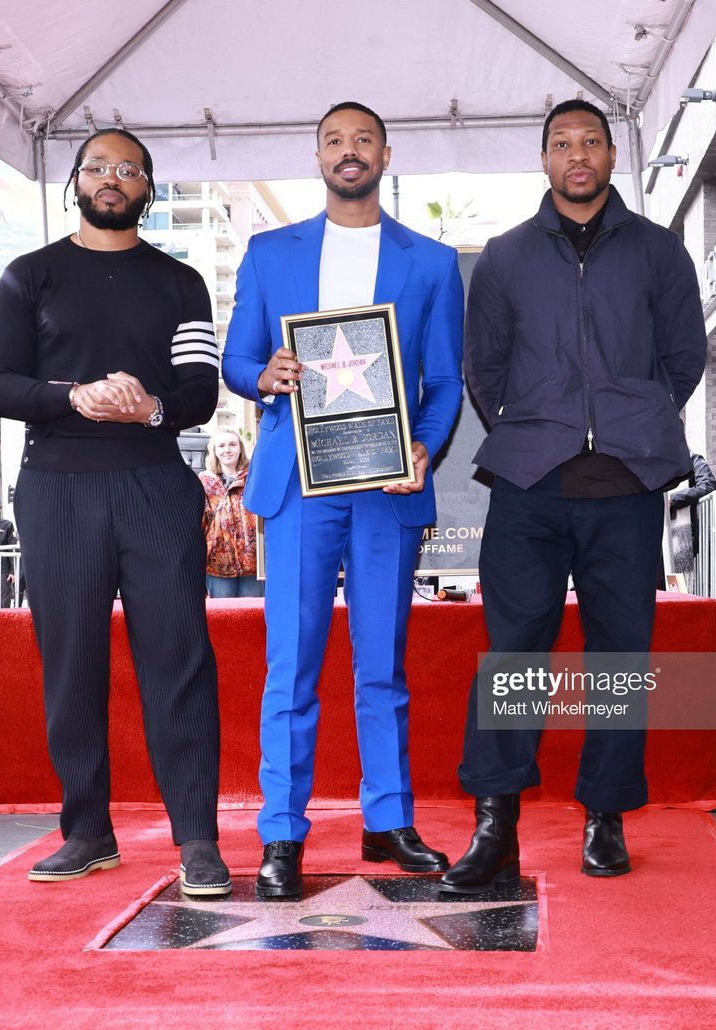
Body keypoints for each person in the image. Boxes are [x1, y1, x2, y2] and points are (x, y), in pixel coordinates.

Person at [441, 99, 707, 893]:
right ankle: (497, 827)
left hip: (627, 484)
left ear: (613, 157)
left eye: (591, 141)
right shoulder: (505, 257)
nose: (577, 155)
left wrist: (632, 421)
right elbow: (482, 370)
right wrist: (535, 429)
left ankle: (605, 818)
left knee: (620, 660)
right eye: (562, 143)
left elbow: (684, 357)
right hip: (530, 486)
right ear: (545, 159)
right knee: (515, 658)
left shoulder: (660, 254)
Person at [223, 101, 464, 897]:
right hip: (299, 481)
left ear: (386, 154)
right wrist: (263, 376)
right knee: (290, 663)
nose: (349, 152)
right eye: (334, 140)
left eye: (363, 140)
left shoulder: (430, 263)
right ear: (317, 155)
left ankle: (388, 820)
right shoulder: (267, 254)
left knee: (382, 664)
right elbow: (236, 360)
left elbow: (446, 379)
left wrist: (424, 444)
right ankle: (282, 833)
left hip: (387, 484)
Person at [0, 127, 228, 893]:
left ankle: (197, 840)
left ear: (149, 190)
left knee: (179, 660)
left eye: (129, 169)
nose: (111, 178)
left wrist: (151, 407)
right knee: (71, 663)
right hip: (56, 488)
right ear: (76, 183)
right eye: (97, 167)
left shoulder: (182, 281)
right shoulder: (31, 275)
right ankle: (86, 829)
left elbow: (200, 394)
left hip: (154, 483)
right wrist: (73, 397)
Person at [199, 429, 261, 598]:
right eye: (222, 445)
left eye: (232, 444)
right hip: (217, 564)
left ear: (240, 448)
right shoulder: (204, 482)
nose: (227, 449)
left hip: (253, 564)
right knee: (221, 617)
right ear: (215, 451)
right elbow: (198, 523)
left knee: (252, 616)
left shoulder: (254, 477)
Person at [667, 452, 716, 592]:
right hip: (657, 536)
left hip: (686, 538)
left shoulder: (693, 460)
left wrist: (673, 499)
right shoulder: (652, 462)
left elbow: (708, 486)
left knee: (686, 590)